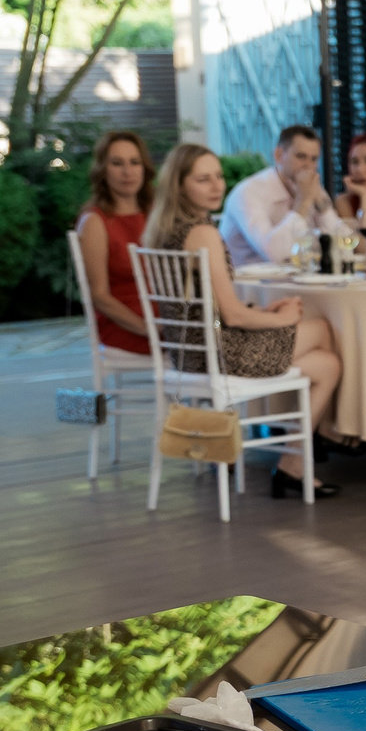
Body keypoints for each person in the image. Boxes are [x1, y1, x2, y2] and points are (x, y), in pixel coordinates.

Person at [145, 143, 345, 499]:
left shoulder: (165, 231)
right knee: (322, 329)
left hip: (189, 352)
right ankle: (321, 440)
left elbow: (214, 308)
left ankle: (297, 461)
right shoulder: (203, 233)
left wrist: (266, 314)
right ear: (180, 186)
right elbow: (234, 315)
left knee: (327, 365)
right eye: (203, 179)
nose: (216, 186)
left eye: (218, 176)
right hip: (222, 354)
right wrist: (280, 318)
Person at [220, 124, 342, 268]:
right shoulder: (249, 192)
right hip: (247, 286)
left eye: (314, 159)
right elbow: (274, 254)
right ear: (279, 155)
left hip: (295, 281)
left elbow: (344, 242)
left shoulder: (310, 188)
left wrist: (322, 206)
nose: (308, 165)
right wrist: (302, 201)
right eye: (301, 156)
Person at [75, 129, 152, 355]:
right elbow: (99, 295)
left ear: (144, 168)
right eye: (117, 163)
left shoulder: (156, 214)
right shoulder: (95, 221)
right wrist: (149, 329)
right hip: (125, 324)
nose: (127, 171)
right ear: (102, 170)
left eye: (134, 162)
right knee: (209, 345)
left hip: (165, 316)